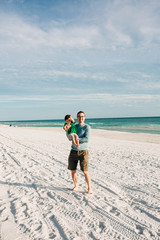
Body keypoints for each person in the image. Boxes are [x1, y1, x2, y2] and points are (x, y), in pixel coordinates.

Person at [67, 111, 92, 194]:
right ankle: (76, 186)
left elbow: (87, 139)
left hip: (83, 151)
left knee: (85, 171)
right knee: (73, 170)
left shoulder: (87, 127)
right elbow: (69, 137)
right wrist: (67, 131)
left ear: (84, 117)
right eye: (79, 116)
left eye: (82, 116)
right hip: (73, 151)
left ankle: (89, 188)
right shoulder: (74, 126)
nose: (80, 118)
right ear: (77, 117)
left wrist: (76, 138)